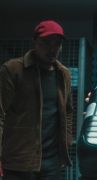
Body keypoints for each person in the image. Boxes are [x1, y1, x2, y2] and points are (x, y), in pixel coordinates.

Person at [0, 20, 73, 180]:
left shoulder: (63, 74)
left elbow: (67, 110)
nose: (52, 48)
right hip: (18, 162)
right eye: (46, 42)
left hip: (51, 163)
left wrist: (66, 140)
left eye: (57, 43)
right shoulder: (13, 70)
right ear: (35, 42)